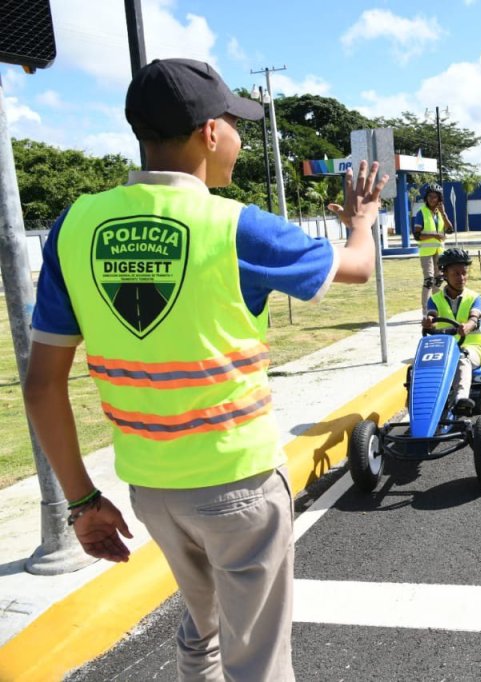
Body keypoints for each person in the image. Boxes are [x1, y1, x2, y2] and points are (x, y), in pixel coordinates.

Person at [22, 58, 387, 681]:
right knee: (259, 662)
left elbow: (41, 383)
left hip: (153, 489)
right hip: (236, 482)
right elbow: (357, 267)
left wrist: (81, 502)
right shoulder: (234, 226)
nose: (241, 142)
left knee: (204, 630)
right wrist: (361, 222)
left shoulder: (73, 226)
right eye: (235, 125)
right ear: (209, 133)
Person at [423, 248, 481, 416]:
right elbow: (432, 314)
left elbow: (475, 317)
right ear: (444, 275)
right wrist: (429, 322)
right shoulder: (434, 299)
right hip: (445, 349)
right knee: (419, 364)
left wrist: (468, 325)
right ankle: (420, 405)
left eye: (464, 273)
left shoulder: (474, 297)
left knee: (461, 357)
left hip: (474, 349)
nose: (461, 278)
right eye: (456, 273)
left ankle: (460, 400)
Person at [413, 182, 452, 314]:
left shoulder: (440, 213)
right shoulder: (421, 213)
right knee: (429, 281)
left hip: (439, 251)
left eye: (435, 197)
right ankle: (425, 312)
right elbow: (417, 235)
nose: (432, 199)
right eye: (430, 196)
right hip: (426, 252)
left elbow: (450, 230)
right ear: (426, 197)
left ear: (439, 198)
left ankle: (435, 308)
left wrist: (444, 213)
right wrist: (436, 235)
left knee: (439, 280)